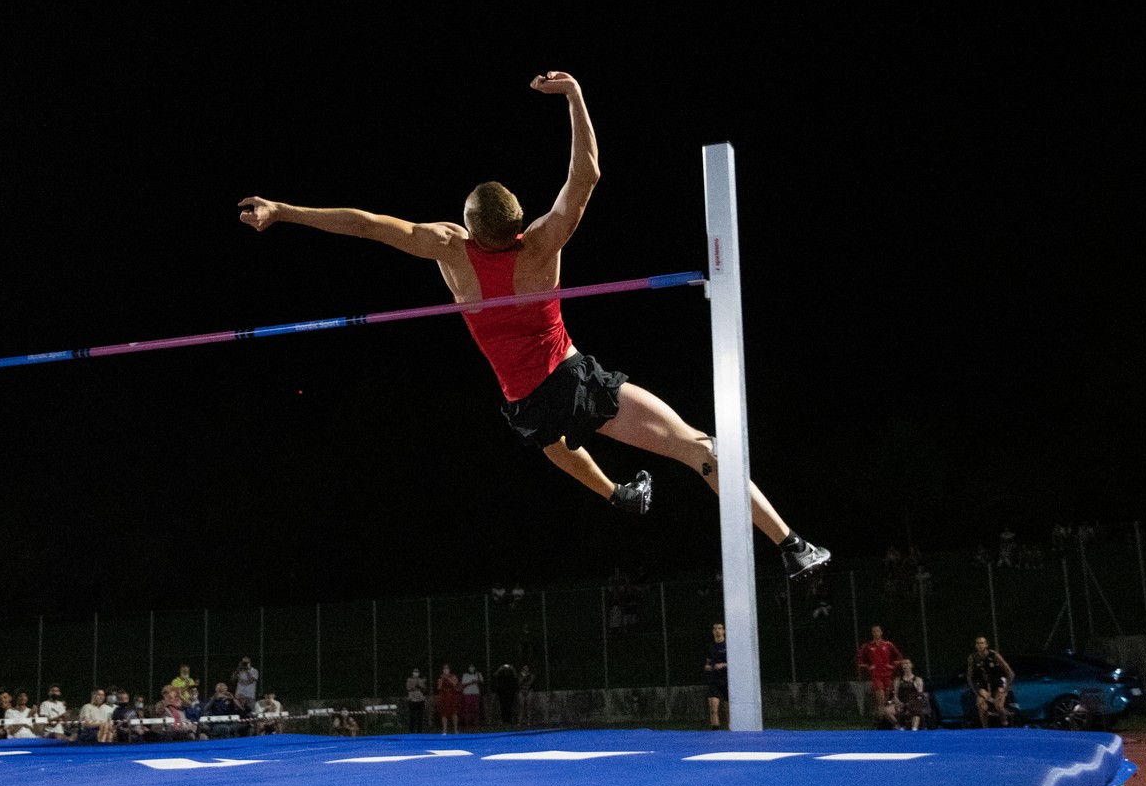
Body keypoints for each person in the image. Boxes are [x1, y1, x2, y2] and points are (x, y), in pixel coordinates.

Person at [238, 70, 829, 580]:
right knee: (700, 449)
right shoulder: (541, 245)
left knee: (561, 444)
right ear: (518, 221)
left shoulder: (449, 249)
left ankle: (620, 495)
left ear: (469, 225)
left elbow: (365, 223)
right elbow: (587, 175)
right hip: (571, 380)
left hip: (525, 403)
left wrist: (283, 211)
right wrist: (574, 95)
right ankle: (791, 545)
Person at [966, 636, 1015, 728]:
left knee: (998, 706)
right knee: (981, 705)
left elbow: (1010, 673)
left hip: (997, 682)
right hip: (983, 684)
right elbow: (969, 677)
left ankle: (1005, 721)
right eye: (978, 643)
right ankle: (985, 729)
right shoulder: (972, 658)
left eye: (982, 643)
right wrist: (977, 692)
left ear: (986, 645)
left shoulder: (994, 655)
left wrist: (1005, 690)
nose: (980, 645)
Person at [856, 625, 905, 712]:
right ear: (872, 633)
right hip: (876, 676)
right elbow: (859, 658)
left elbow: (899, 656)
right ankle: (880, 717)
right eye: (874, 631)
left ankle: (881, 717)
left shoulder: (888, 644)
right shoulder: (868, 645)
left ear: (881, 632)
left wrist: (893, 665)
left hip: (887, 675)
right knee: (881, 700)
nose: (876, 633)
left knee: (886, 700)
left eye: (877, 631)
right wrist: (867, 666)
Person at [887, 658, 930, 730]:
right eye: (903, 664)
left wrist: (911, 704)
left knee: (916, 709)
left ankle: (914, 729)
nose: (905, 665)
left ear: (911, 665)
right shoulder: (898, 680)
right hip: (901, 703)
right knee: (887, 711)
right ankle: (899, 727)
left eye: (907, 663)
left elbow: (919, 695)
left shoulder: (917, 679)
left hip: (913, 703)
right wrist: (897, 702)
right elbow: (895, 694)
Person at [705, 622, 730, 729]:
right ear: (713, 631)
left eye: (719, 628)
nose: (717, 630)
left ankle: (731, 729)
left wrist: (723, 665)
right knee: (713, 709)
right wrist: (708, 666)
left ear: (724, 631)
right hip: (714, 680)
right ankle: (715, 731)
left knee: (729, 710)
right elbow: (708, 662)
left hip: (727, 680)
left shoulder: (728, 645)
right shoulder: (710, 646)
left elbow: (735, 662)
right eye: (715, 629)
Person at [435, 663, 461, 734]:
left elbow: (455, 684)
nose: (446, 670)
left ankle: (455, 730)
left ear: (449, 669)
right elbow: (439, 687)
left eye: (447, 668)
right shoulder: (440, 678)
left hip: (452, 697)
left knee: (454, 713)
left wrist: (448, 678)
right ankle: (444, 730)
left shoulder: (453, 676)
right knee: (444, 714)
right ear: (442, 670)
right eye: (444, 669)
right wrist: (442, 679)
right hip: (444, 697)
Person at [459, 663, 484, 728]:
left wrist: (477, 681)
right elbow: (463, 684)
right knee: (467, 709)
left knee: (476, 708)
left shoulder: (478, 674)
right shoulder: (465, 675)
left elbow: (482, 682)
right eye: (470, 666)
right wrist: (470, 683)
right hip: (467, 693)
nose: (471, 668)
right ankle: (467, 723)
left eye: (473, 666)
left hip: (476, 693)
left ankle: (476, 723)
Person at [404, 668, 427, 733]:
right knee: (412, 716)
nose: (416, 673)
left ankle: (420, 731)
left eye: (417, 672)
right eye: (415, 672)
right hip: (412, 700)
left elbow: (424, 690)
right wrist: (416, 685)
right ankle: (412, 731)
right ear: (412, 673)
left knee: (420, 716)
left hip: (420, 699)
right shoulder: (409, 679)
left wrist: (421, 685)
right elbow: (408, 688)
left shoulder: (421, 680)